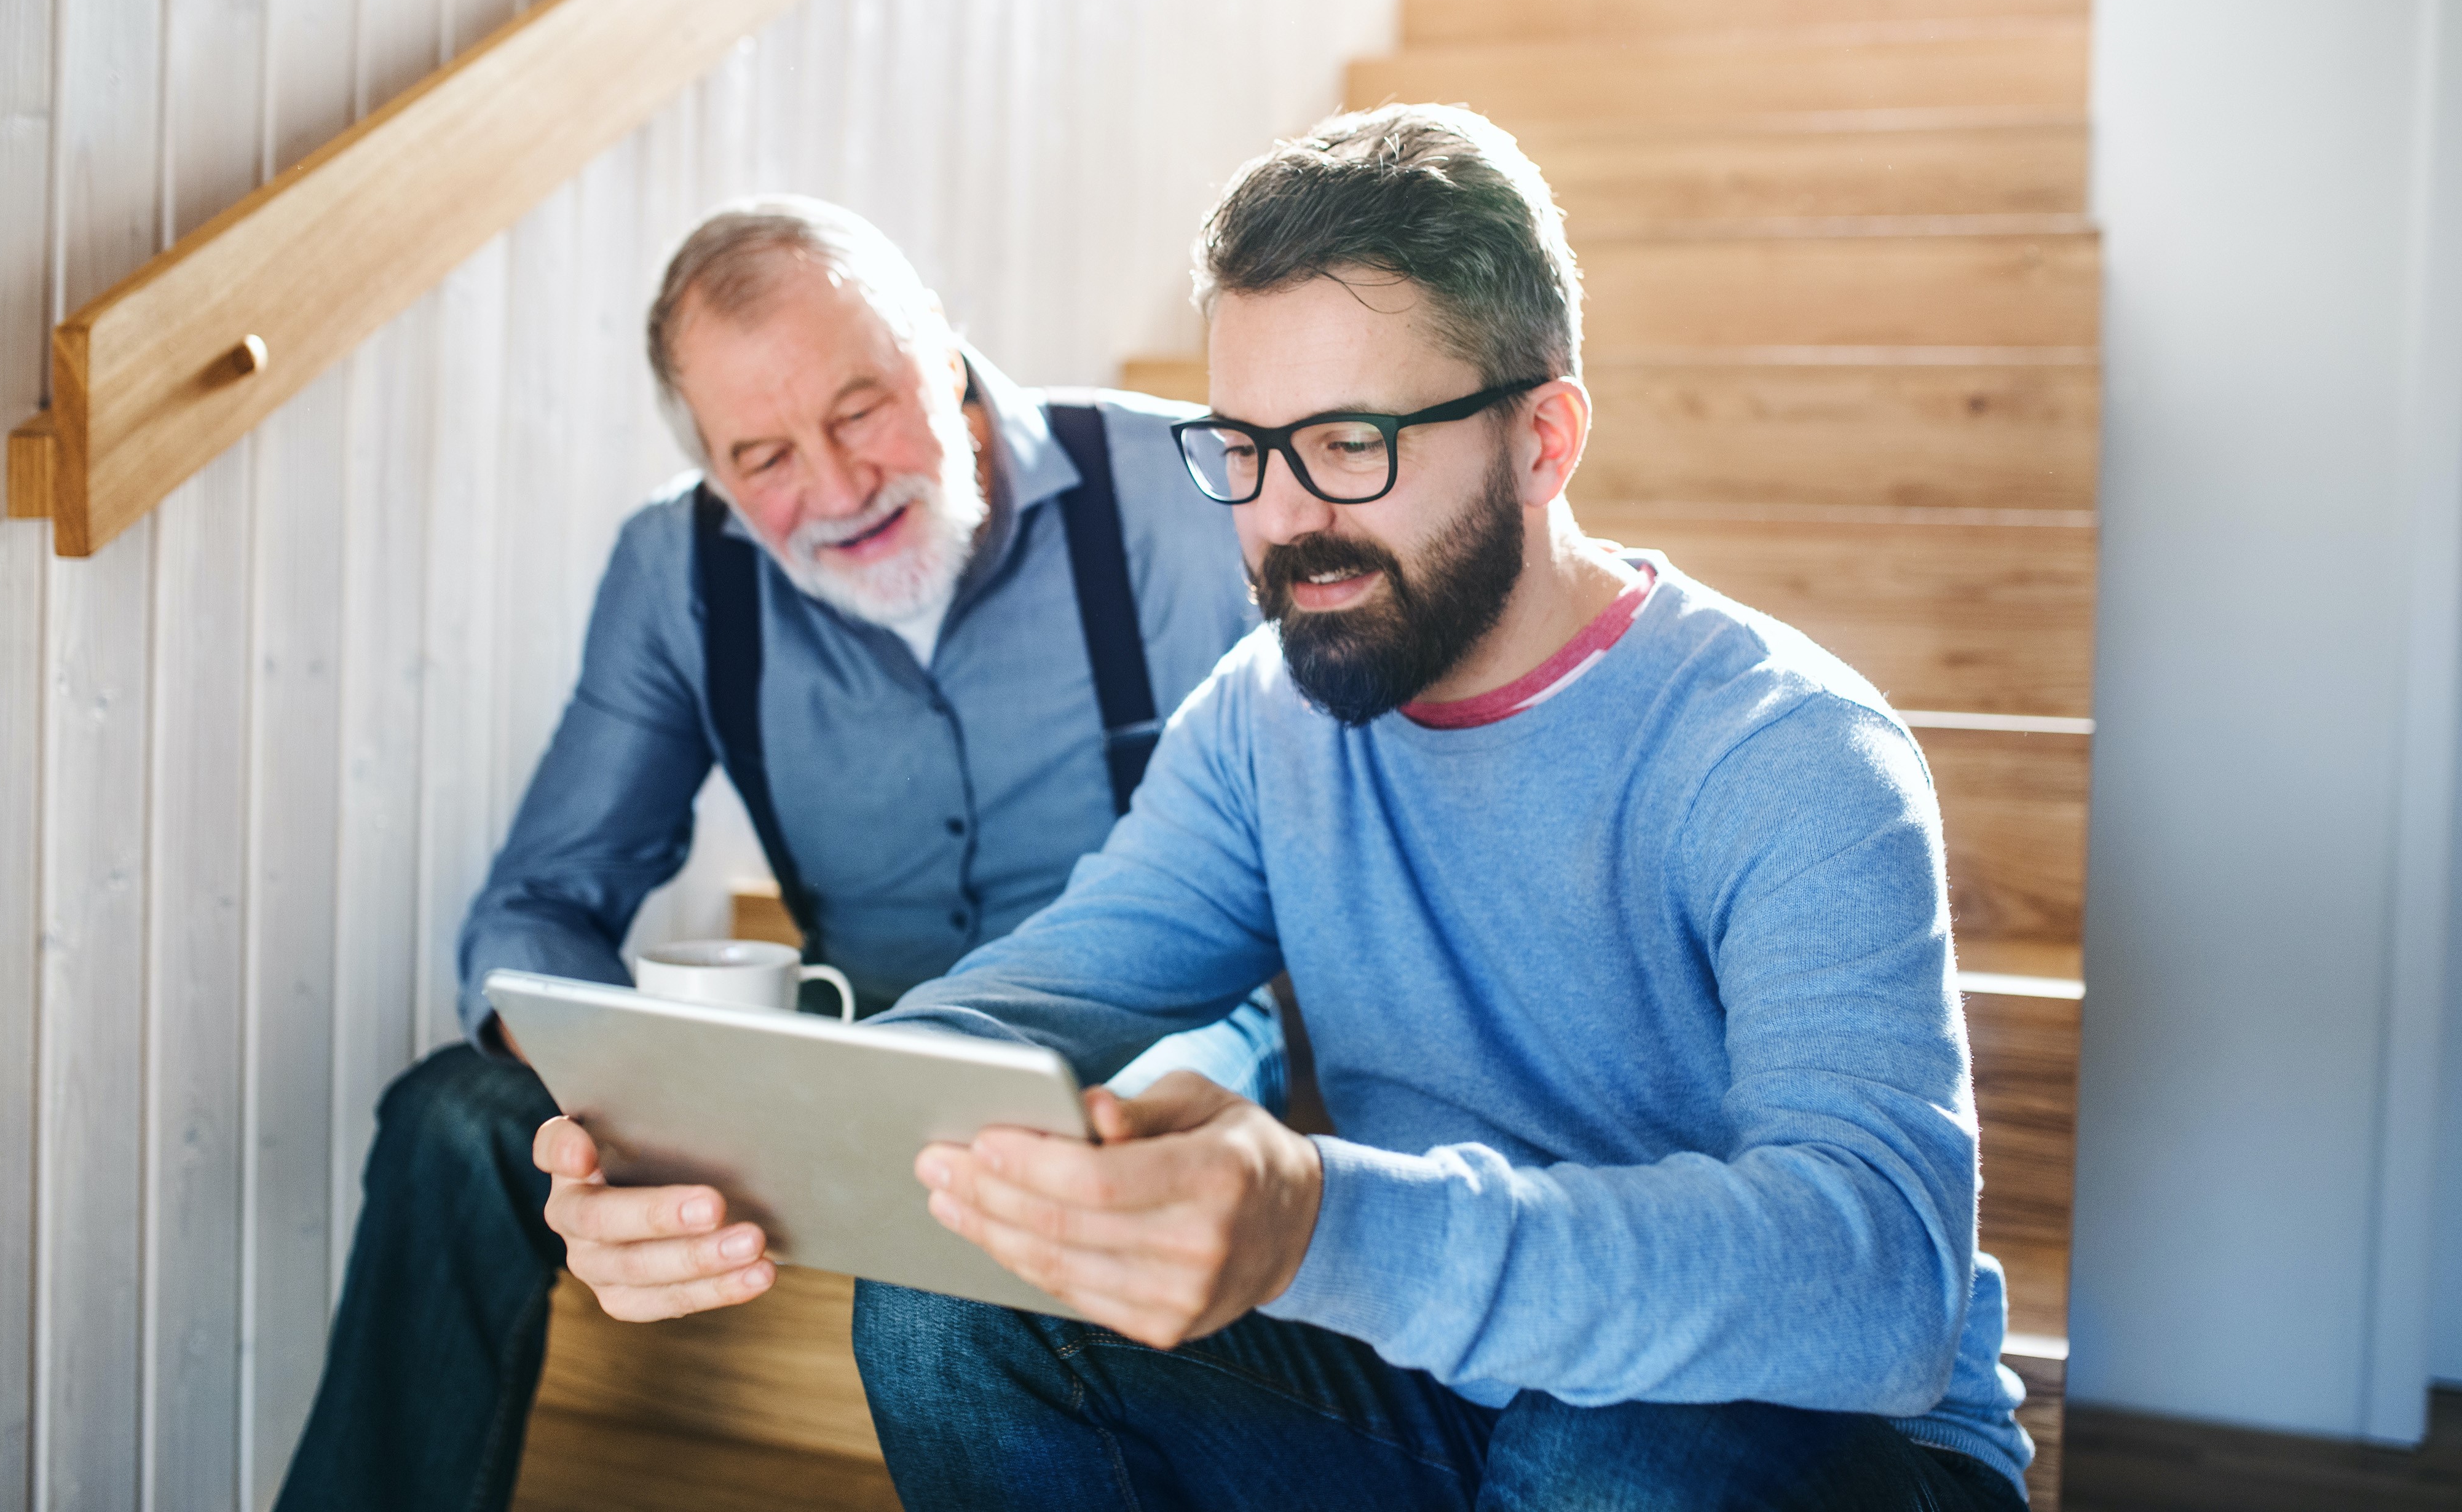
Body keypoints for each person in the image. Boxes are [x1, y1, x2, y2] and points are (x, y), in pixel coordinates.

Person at [538, 105, 2036, 1511]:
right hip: (1447, 1392)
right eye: (1244, 450)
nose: (1283, 519)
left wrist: (1321, 1222)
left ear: (1543, 439)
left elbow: (1880, 1282)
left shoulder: (1787, 750)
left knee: (1615, 1442)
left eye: (1349, 445)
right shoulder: (1267, 719)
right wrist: (723, 1145)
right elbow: (1026, 1004)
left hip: (1820, 1437)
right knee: (955, 1294)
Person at [274, 197, 1287, 1511]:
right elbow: (543, 898)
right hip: (854, 1035)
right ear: (710, 468)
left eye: (861, 409)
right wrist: (597, 1074)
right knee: (452, 1119)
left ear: (943, 348)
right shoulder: (675, 568)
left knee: (1067, 1176)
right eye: (764, 456)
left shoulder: (1181, 484)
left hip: (1150, 1032)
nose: (838, 488)